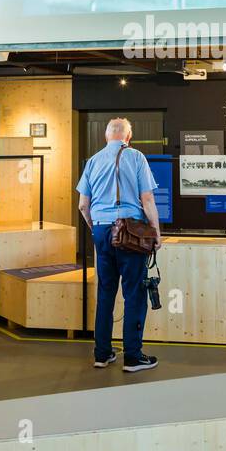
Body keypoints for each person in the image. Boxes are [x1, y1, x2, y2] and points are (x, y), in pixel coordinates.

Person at [77, 118, 162, 372]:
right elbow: (146, 199)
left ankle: (102, 354)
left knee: (105, 292)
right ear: (129, 136)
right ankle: (133, 357)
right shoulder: (136, 157)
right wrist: (156, 232)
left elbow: (83, 205)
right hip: (130, 232)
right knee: (134, 292)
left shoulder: (92, 161)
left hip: (102, 230)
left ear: (106, 137)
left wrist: (97, 228)